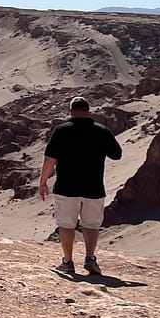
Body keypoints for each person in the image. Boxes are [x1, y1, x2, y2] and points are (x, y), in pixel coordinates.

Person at [38, 96, 122, 276]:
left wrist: (43, 182)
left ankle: (68, 261)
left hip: (66, 187)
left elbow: (50, 159)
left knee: (66, 224)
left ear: (71, 111)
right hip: (94, 186)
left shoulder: (61, 131)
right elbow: (117, 154)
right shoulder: (101, 131)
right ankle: (90, 258)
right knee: (91, 224)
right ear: (88, 111)